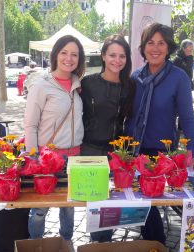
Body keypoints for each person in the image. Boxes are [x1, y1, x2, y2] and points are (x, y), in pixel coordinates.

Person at [125, 23, 194, 246]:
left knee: (167, 203)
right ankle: (156, 244)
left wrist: (193, 154)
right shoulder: (136, 77)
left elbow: (187, 119)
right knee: (142, 205)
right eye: (150, 42)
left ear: (169, 47)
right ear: (143, 47)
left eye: (161, 43)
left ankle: (174, 242)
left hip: (163, 155)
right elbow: (129, 115)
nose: (155, 48)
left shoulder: (178, 78)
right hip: (135, 153)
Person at [24, 35, 85, 251]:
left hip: (74, 157)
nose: (69, 58)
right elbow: (30, 125)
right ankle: (35, 245)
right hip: (48, 157)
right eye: (64, 53)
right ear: (55, 55)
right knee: (40, 208)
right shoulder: (41, 85)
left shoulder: (78, 85)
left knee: (68, 206)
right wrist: (33, 157)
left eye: (74, 54)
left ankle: (66, 242)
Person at [80, 34, 135, 243]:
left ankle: (107, 243)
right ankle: (96, 244)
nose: (117, 60)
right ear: (103, 56)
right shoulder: (88, 83)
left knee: (113, 203)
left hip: (117, 152)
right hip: (90, 150)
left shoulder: (130, 86)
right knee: (94, 203)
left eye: (122, 56)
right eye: (112, 55)